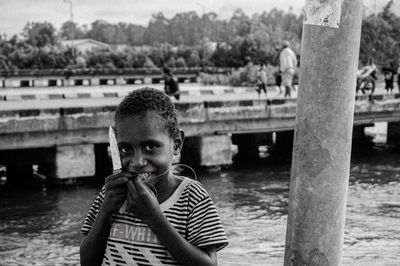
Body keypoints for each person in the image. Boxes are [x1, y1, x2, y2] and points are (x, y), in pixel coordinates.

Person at [80, 87, 228, 266]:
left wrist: (154, 218)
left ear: (176, 144)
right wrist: (105, 211)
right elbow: (87, 262)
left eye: (150, 147)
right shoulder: (110, 193)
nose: (137, 162)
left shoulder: (191, 197)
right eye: (125, 149)